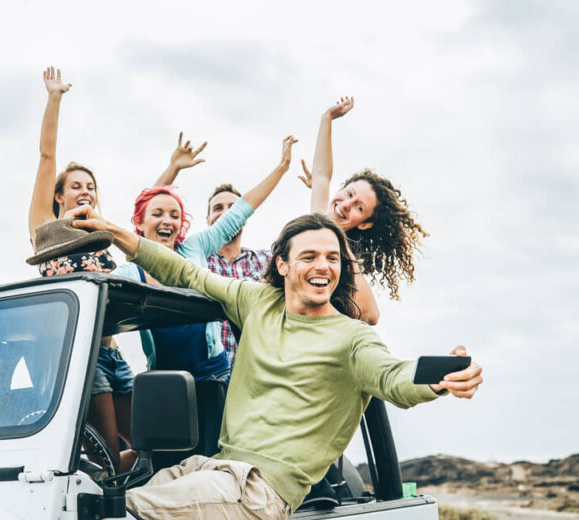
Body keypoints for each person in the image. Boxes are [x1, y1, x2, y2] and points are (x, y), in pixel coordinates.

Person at [71, 207, 483, 519]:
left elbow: (394, 377)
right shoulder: (257, 302)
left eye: (332, 257)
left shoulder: (353, 338)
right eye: (309, 257)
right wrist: (113, 233)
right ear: (283, 264)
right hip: (211, 467)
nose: (323, 266)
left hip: (260, 491)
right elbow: (185, 272)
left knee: (115, 514)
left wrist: (440, 378)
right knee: (85, 498)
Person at [112, 136, 296, 461]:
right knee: (171, 463)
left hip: (213, 376)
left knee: (217, 459)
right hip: (166, 382)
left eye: (174, 215)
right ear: (139, 224)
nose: (166, 220)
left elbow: (241, 211)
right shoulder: (130, 273)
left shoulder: (194, 249)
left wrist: (281, 168)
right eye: (158, 215)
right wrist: (171, 170)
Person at [27, 66, 134, 472]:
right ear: (59, 195)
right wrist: (54, 98)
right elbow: (46, 157)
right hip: (81, 354)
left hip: (114, 355)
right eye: (76, 185)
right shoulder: (47, 229)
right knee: (106, 456)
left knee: (152, 445)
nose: (85, 190)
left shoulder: (102, 237)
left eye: (90, 186)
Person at [299, 97, 428, 312]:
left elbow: (371, 314)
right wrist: (327, 118)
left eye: (359, 207)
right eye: (349, 193)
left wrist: (340, 243)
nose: (347, 204)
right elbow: (321, 175)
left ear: (365, 224)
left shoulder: (344, 260)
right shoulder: (318, 218)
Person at [204, 184, 271, 364]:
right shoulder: (195, 260)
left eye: (234, 208)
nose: (226, 213)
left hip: (257, 372)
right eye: (218, 208)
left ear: (245, 216)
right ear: (207, 219)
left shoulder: (266, 260)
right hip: (209, 377)